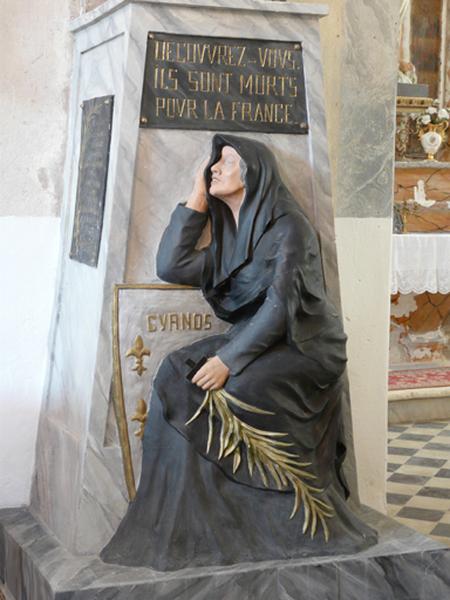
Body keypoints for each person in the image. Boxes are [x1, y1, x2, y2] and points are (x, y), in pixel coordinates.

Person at [101, 134, 377, 571]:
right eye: (215, 161)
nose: (215, 167)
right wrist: (196, 197)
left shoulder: (289, 227)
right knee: (176, 371)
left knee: (233, 388)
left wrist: (228, 361)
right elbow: (170, 266)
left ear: (254, 173)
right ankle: (186, 525)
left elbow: (281, 307)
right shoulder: (232, 239)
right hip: (261, 340)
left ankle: (274, 522)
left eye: (227, 161)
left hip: (304, 347)